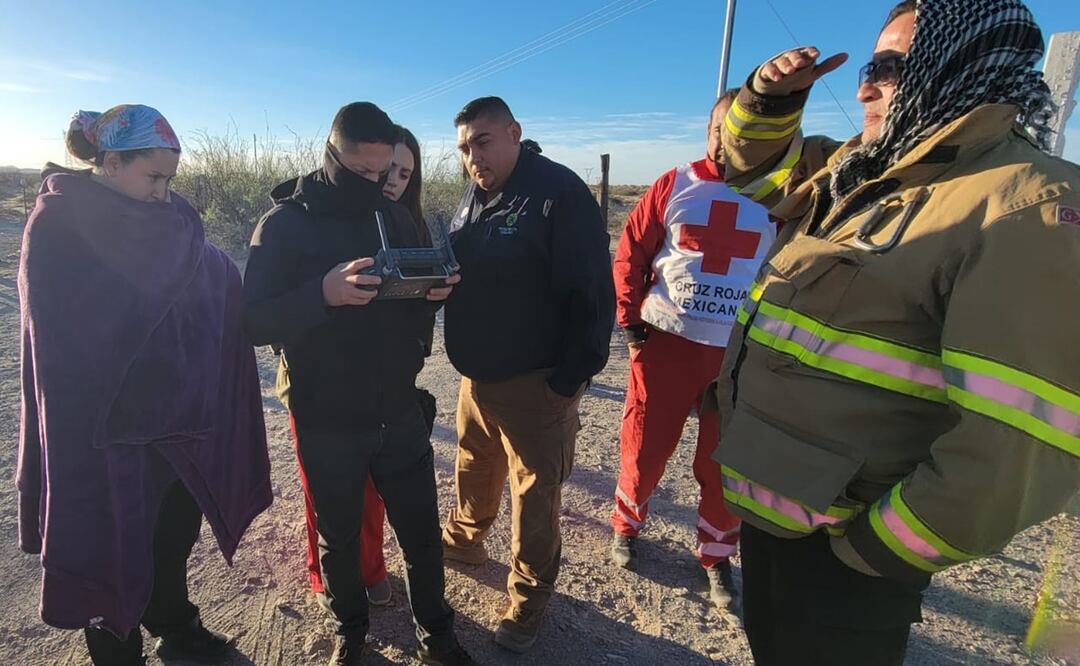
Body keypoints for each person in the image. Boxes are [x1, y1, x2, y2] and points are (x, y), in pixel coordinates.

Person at [710, 1, 1080, 664]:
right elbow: (750, 172)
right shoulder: (867, 170)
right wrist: (766, 98)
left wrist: (873, 551)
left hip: (847, 554)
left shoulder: (1029, 203)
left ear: (959, 61)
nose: (862, 87)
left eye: (888, 67)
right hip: (778, 514)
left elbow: (1019, 446)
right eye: (870, 65)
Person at [17, 104, 273, 666]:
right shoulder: (59, 224)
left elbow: (209, 279)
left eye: (169, 179)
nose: (163, 191)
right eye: (152, 176)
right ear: (111, 162)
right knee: (111, 555)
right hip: (102, 433)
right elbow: (60, 334)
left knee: (172, 539)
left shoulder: (171, 219)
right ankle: (117, 653)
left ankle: (174, 625)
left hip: (178, 427)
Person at [243, 103, 471, 666]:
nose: (374, 184)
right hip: (327, 416)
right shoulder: (284, 224)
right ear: (331, 151)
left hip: (398, 408)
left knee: (420, 536)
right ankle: (351, 631)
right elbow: (251, 323)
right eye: (361, 171)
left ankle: (437, 636)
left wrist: (435, 292)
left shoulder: (390, 216)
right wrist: (319, 293)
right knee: (340, 539)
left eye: (384, 171)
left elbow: (411, 308)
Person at [440, 96, 616, 653]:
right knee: (474, 464)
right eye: (465, 148)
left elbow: (592, 291)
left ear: (515, 132)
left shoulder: (558, 193)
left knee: (534, 496)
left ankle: (529, 597)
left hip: (537, 384)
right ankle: (465, 540)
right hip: (478, 379)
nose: (473, 156)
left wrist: (569, 380)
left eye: (483, 142)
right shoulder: (477, 194)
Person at [609, 89, 772, 612]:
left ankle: (717, 555)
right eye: (721, 127)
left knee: (725, 462)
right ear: (708, 131)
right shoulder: (675, 184)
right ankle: (627, 525)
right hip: (667, 347)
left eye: (743, 130)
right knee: (645, 445)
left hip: (739, 357)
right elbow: (630, 251)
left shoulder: (783, 194)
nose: (730, 139)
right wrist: (631, 324)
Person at [293, 125, 435, 610]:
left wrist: (430, 297)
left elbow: (406, 317)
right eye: (378, 170)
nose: (387, 180)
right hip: (322, 394)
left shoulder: (403, 224)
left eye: (401, 173)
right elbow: (264, 315)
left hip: (389, 395)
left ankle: (368, 572)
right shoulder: (306, 219)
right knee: (333, 502)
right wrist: (324, 294)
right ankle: (337, 582)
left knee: (380, 494)